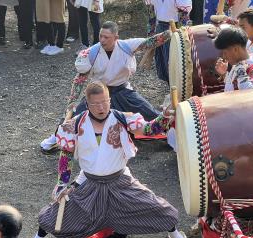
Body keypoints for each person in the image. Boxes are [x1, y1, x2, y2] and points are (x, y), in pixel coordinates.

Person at [26, 81, 190, 238]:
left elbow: (149, 129)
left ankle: (174, 234)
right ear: (87, 104)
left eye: (104, 102)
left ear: (110, 101)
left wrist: (164, 117)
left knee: (156, 207)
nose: (101, 107)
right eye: (96, 104)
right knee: (57, 211)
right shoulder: (73, 125)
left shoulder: (122, 118)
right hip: (89, 181)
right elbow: (65, 155)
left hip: (120, 180)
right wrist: (61, 184)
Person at [40, 21, 170, 153]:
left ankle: (173, 135)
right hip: (99, 93)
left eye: (106, 37)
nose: (102, 40)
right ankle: (56, 138)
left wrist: (171, 33)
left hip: (123, 91)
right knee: (75, 117)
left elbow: (152, 41)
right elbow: (80, 79)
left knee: (150, 113)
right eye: (100, 36)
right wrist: (72, 101)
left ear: (116, 38)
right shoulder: (91, 53)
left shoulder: (127, 46)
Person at [146, 0, 192, 84]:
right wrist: (151, 32)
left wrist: (182, 35)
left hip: (175, 27)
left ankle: (177, 86)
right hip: (159, 26)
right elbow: (151, 11)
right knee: (162, 59)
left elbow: (184, 15)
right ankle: (169, 84)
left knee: (174, 59)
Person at [213, 25, 253, 91]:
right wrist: (224, 74)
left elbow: (250, 93)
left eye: (225, 52)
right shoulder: (236, 65)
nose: (224, 56)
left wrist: (240, 68)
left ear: (235, 49)